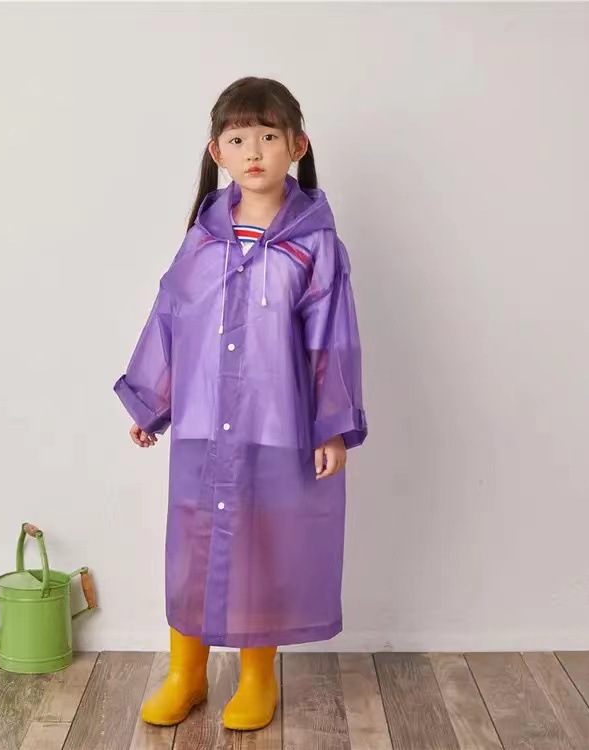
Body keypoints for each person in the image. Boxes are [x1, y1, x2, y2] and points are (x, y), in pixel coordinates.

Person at [113, 76, 368, 731]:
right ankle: (186, 674)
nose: (253, 151)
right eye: (237, 139)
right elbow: (170, 317)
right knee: (192, 546)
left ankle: (257, 680)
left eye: (268, 136)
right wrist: (149, 401)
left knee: (262, 549)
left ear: (297, 146)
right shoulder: (201, 238)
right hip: (203, 424)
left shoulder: (316, 245)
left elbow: (331, 340)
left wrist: (331, 427)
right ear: (216, 152)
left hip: (275, 426)